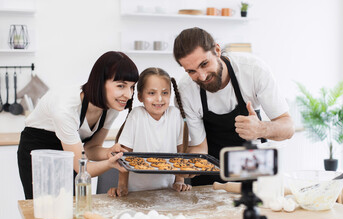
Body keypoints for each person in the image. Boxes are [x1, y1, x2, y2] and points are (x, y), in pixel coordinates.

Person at [173, 27, 295, 186]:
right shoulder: (185, 91)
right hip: (210, 181)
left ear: (217, 50)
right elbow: (200, 147)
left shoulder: (253, 70)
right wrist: (189, 167)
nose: (201, 76)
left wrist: (261, 129)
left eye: (204, 64)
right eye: (191, 71)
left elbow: (288, 127)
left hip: (253, 173)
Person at [17, 51, 139, 199]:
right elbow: (83, 169)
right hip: (38, 149)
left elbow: (91, 149)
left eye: (132, 87)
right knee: (43, 208)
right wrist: (110, 164)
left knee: (72, 206)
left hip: (70, 150)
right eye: (121, 86)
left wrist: (110, 152)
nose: (128, 94)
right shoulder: (66, 108)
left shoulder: (112, 108)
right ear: (100, 82)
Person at [107, 67, 191, 197]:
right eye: (151, 93)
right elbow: (124, 155)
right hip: (136, 192)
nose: (159, 99)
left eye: (165, 93)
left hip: (168, 192)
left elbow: (181, 152)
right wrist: (122, 186)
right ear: (140, 96)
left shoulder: (175, 115)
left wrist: (179, 181)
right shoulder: (137, 115)